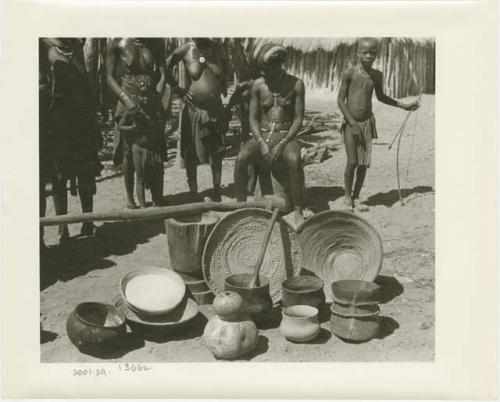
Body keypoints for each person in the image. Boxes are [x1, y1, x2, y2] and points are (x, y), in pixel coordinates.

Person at [337, 37, 420, 212]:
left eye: (372, 53)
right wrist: (351, 123)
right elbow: (340, 100)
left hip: (367, 123)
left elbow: (381, 97)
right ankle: (347, 198)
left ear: (377, 54)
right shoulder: (349, 73)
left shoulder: (376, 75)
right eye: (364, 52)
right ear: (357, 53)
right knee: (352, 162)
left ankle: (357, 197)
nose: (368, 55)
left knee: (363, 163)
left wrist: (403, 106)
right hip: (351, 123)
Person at [234, 44, 306, 226]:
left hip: (285, 135)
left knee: (295, 160)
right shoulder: (258, 85)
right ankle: (240, 206)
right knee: (241, 157)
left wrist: (283, 143)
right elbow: (252, 118)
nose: (263, 74)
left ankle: (298, 210)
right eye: (262, 70)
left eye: (266, 70)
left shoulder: (296, 84)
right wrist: (260, 141)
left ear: (279, 64)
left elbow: (298, 119)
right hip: (263, 134)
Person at [41, 38, 103, 244]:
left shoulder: (77, 47)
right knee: (60, 177)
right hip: (57, 124)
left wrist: (93, 120)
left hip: (82, 122)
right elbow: (42, 88)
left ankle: (88, 220)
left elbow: (87, 86)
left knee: (86, 173)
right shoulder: (43, 46)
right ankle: (63, 229)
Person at [107, 37, 168, 209]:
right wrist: (127, 101)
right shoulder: (117, 42)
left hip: (150, 98)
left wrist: (156, 98)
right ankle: (130, 198)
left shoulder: (156, 42)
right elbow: (109, 78)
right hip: (127, 99)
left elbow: (163, 74)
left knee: (154, 146)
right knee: (128, 150)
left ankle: (157, 195)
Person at [166, 38, 229, 202]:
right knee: (190, 152)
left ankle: (217, 191)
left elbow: (227, 72)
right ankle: (194, 193)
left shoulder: (218, 50)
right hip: (194, 110)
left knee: (216, 152)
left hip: (215, 109)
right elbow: (164, 66)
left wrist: (220, 86)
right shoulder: (185, 49)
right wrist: (178, 90)